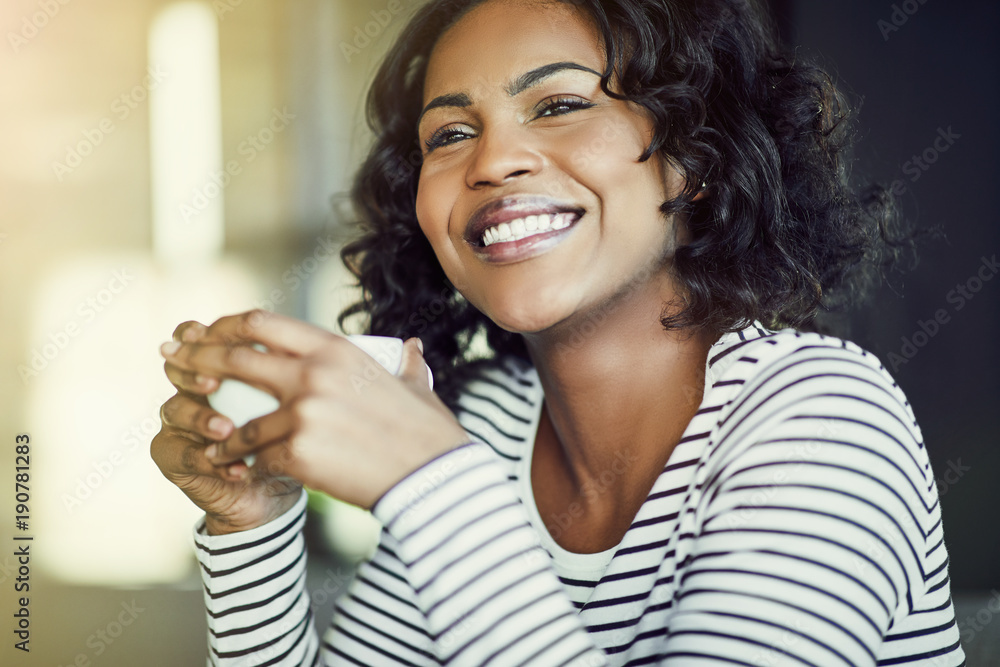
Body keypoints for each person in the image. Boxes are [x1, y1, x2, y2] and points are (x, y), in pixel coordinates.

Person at [152, 0, 967, 664]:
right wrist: (248, 526)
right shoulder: (496, 424)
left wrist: (430, 478)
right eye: (450, 133)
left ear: (697, 159)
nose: (493, 160)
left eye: (562, 105)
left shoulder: (823, 416)